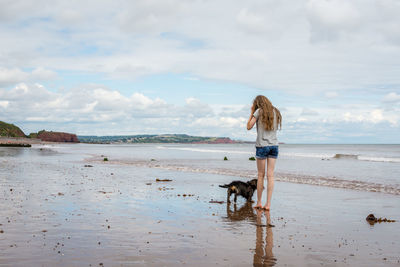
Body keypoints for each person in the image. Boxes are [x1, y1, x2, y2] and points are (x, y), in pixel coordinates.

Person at [247, 95, 282, 210]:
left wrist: (252, 112)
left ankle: (259, 202)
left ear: (258, 103)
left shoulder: (258, 111)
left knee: (261, 175)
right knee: (270, 175)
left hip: (262, 146)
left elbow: (248, 126)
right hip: (274, 146)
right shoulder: (275, 111)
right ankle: (268, 204)